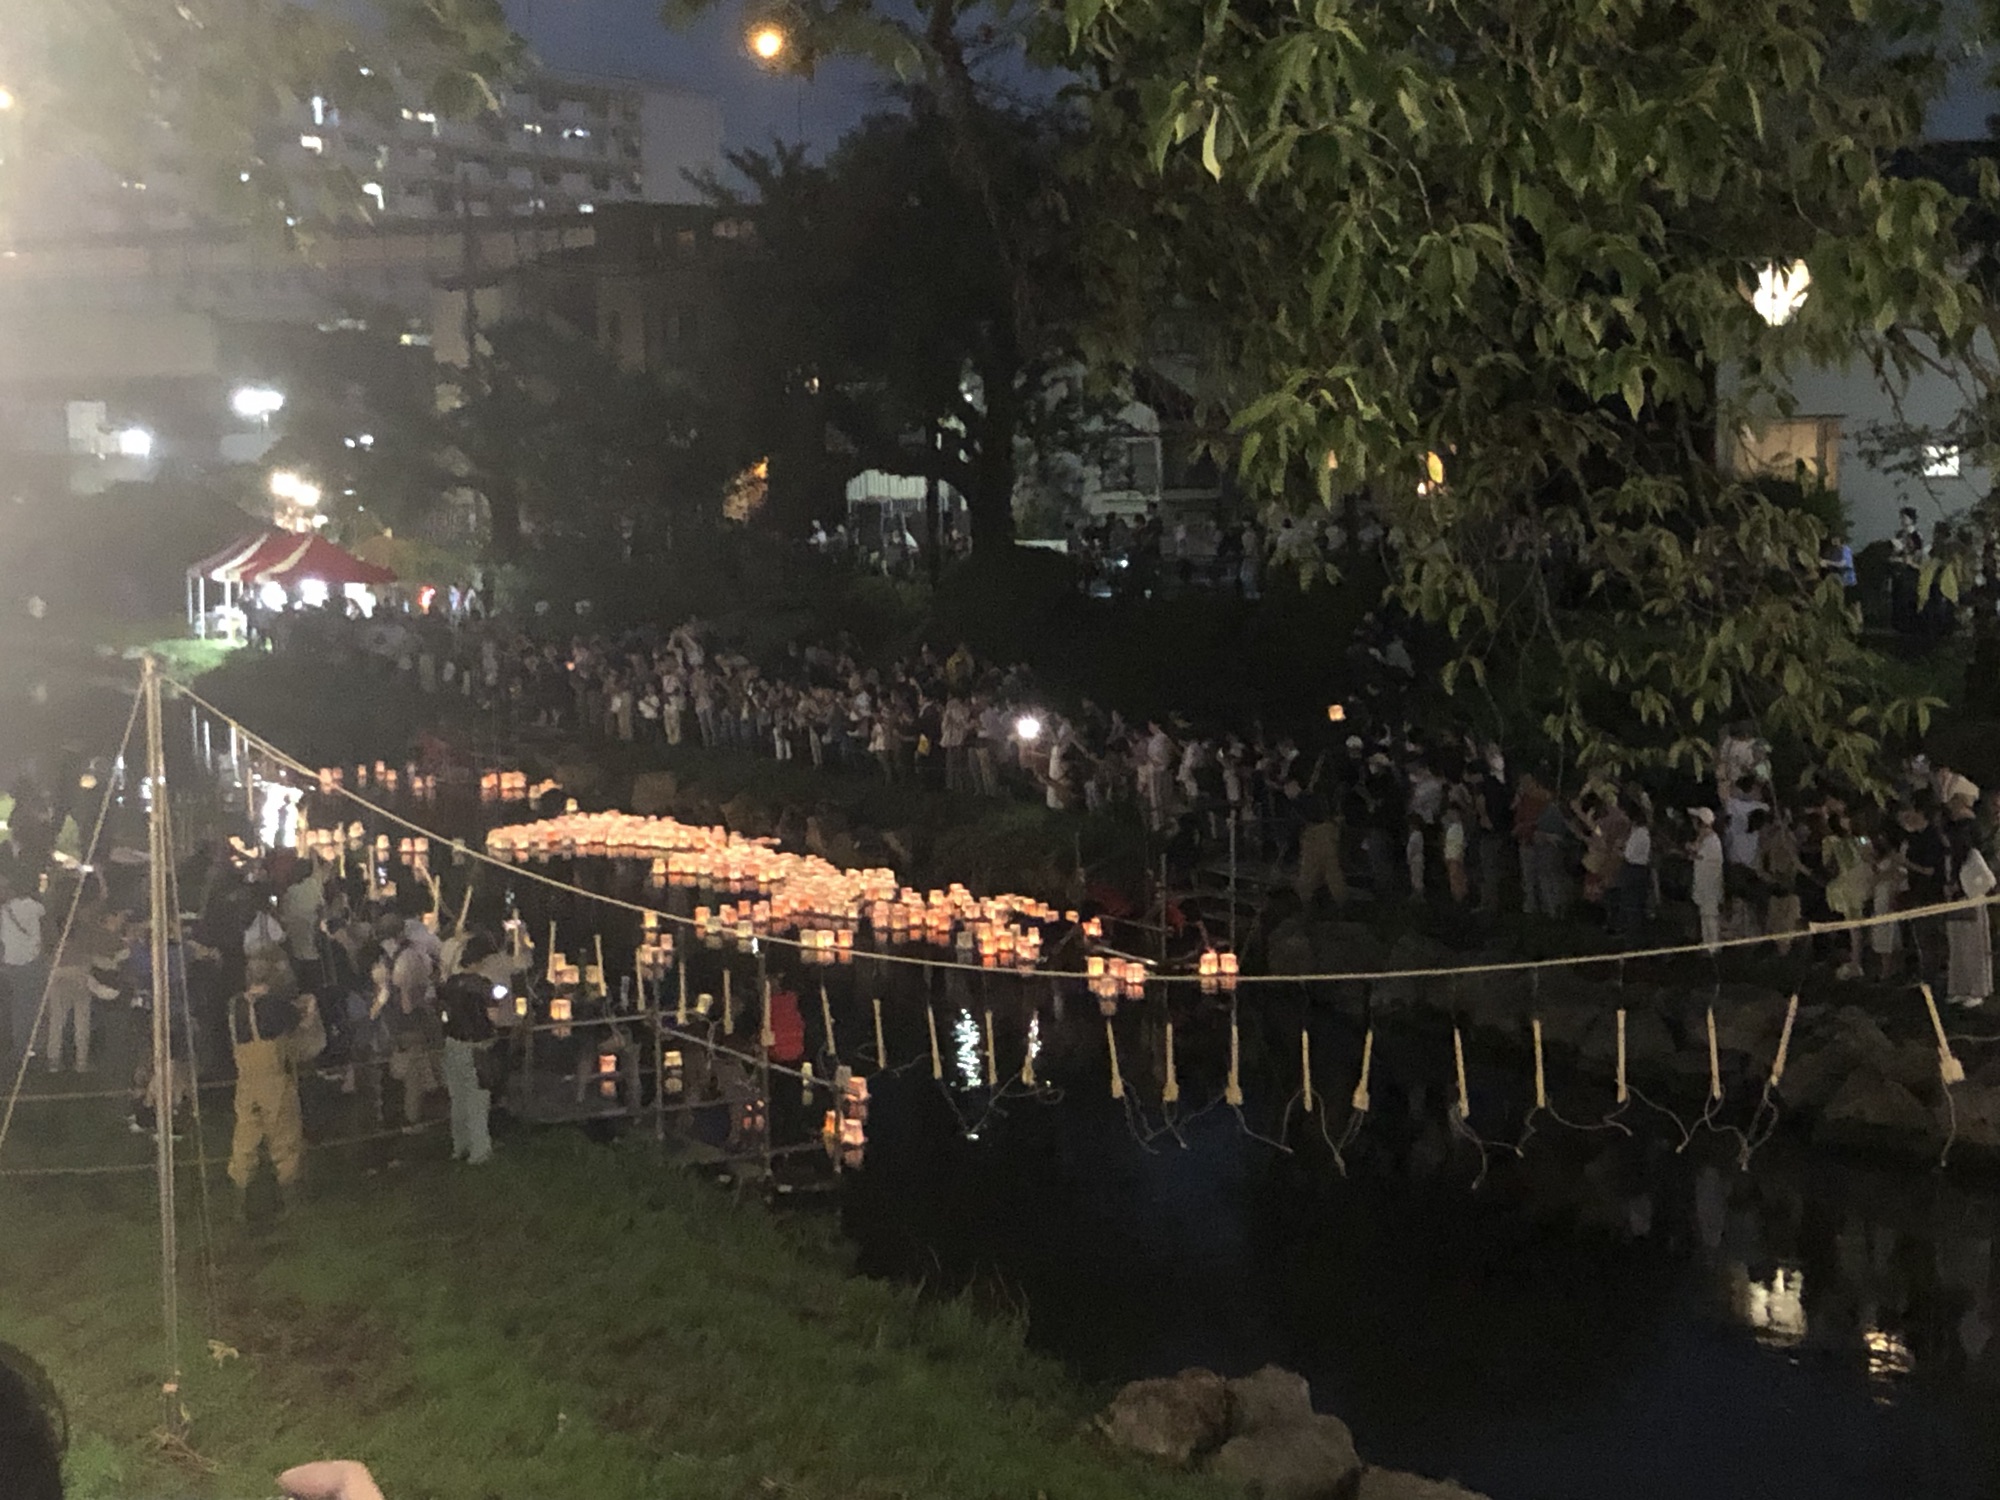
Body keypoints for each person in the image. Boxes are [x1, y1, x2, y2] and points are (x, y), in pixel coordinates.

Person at [227, 952, 318, 1215]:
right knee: (286, 1141)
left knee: (244, 1141)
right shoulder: (276, 1005)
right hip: (275, 1081)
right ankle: (293, 1204)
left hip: (245, 1082)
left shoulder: (235, 1006)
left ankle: (239, 1206)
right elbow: (302, 1026)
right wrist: (310, 1009)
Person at [438, 952, 498, 1165]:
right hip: (477, 1046)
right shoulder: (481, 985)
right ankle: (479, 1151)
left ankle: (459, 1146)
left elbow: (443, 1011)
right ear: (480, 960)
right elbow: (493, 1016)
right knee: (477, 1099)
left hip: (453, 1043)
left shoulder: (451, 983)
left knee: (458, 1098)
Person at [1, 879, 47, 1071]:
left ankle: (20, 1048)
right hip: (33, 961)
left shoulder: (3, 912)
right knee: (34, 1006)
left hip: (11, 964)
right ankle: (34, 1046)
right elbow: (45, 915)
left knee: (18, 1007)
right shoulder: (33, 906)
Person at [1689, 807, 1725, 954]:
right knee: (1704, 915)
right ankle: (1706, 945)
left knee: (1710, 916)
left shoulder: (1713, 841)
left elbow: (1699, 854)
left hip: (1710, 885)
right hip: (1703, 884)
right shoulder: (1704, 839)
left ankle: (1714, 947)